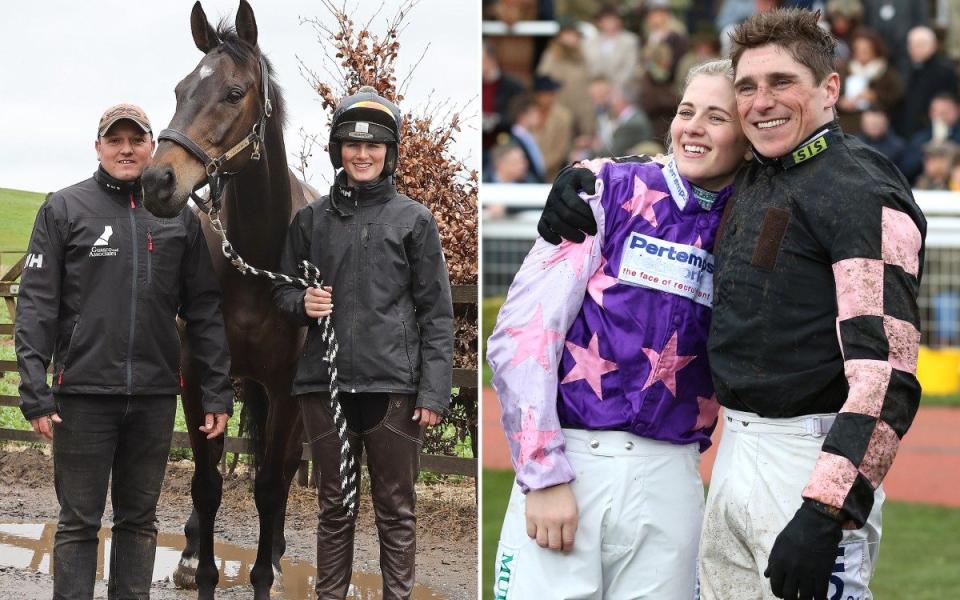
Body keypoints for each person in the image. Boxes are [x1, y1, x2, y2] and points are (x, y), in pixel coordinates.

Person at [538, 9, 926, 600]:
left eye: (782, 82)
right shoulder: (755, 173)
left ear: (830, 89)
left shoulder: (862, 192)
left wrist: (826, 509)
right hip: (732, 455)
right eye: (748, 86)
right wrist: (585, 177)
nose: (762, 101)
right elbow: (686, 164)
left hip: (808, 462)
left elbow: (888, 373)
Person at [489, 59, 751, 599]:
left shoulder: (754, 220)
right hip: (572, 466)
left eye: (717, 116)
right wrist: (543, 474)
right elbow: (522, 337)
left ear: (747, 138)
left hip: (673, 484)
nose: (694, 127)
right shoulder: (606, 188)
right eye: (686, 110)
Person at [15, 103, 233, 599]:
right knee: (77, 524)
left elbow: (204, 310)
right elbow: (36, 305)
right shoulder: (65, 209)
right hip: (83, 399)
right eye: (116, 140)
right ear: (98, 147)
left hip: (154, 398)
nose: (127, 149)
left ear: (152, 147)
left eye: (137, 140)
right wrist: (35, 391)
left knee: (139, 522)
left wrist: (218, 392)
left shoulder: (178, 218)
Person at [272, 86, 453, 599]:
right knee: (334, 506)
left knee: (396, 508)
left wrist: (433, 393)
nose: (363, 154)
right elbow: (281, 291)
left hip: (392, 388)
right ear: (338, 151)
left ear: (389, 153)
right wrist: (299, 302)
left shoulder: (413, 220)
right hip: (322, 386)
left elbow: (436, 313)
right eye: (352, 145)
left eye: (374, 145)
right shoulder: (309, 221)